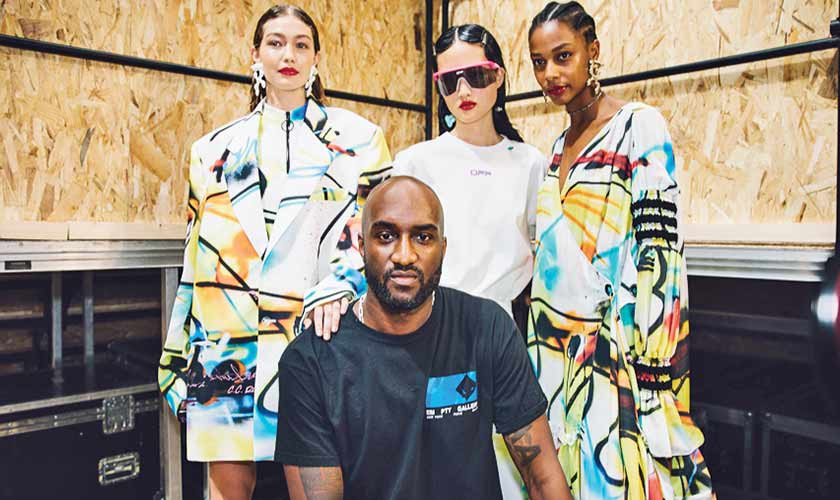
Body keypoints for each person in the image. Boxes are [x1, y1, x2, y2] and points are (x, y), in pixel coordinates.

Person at [157, 4, 391, 499]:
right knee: (227, 491)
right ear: (256, 55)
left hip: (314, 341)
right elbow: (195, 257)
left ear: (316, 58)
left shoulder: (359, 143)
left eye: (301, 44)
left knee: (315, 488)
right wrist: (177, 352)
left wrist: (342, 284)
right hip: (226, 346)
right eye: (276, 43)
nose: (289, 55)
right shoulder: (211, 151)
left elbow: (378, 237)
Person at [275, 176, 572, 500]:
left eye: (423, 237)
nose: (404, 256)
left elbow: (543, 479)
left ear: (442, 249)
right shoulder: (312, 361)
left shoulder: (485, 328)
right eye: (386, 236)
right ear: (362, 246)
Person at [526, 2, 713, 499]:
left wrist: (653, 365)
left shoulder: (638, 126)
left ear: (593, 51)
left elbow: (661, 249)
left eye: (563, 56)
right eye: (539, 63)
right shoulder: (555, 148)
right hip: (555, 356)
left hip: (623, 353)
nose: (550, 74)